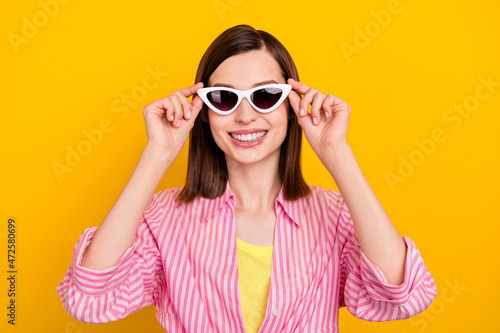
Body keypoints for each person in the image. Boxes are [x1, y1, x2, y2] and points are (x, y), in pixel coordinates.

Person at [56, 24, 437, 333]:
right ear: (204, 112)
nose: (244, 116)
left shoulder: (333, 216)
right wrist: (157, 154)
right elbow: (89, 298)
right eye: (224, 98)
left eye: (266, 95)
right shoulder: (163, 218)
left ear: (291, 106)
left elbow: (401, 296)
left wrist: (337, 151)